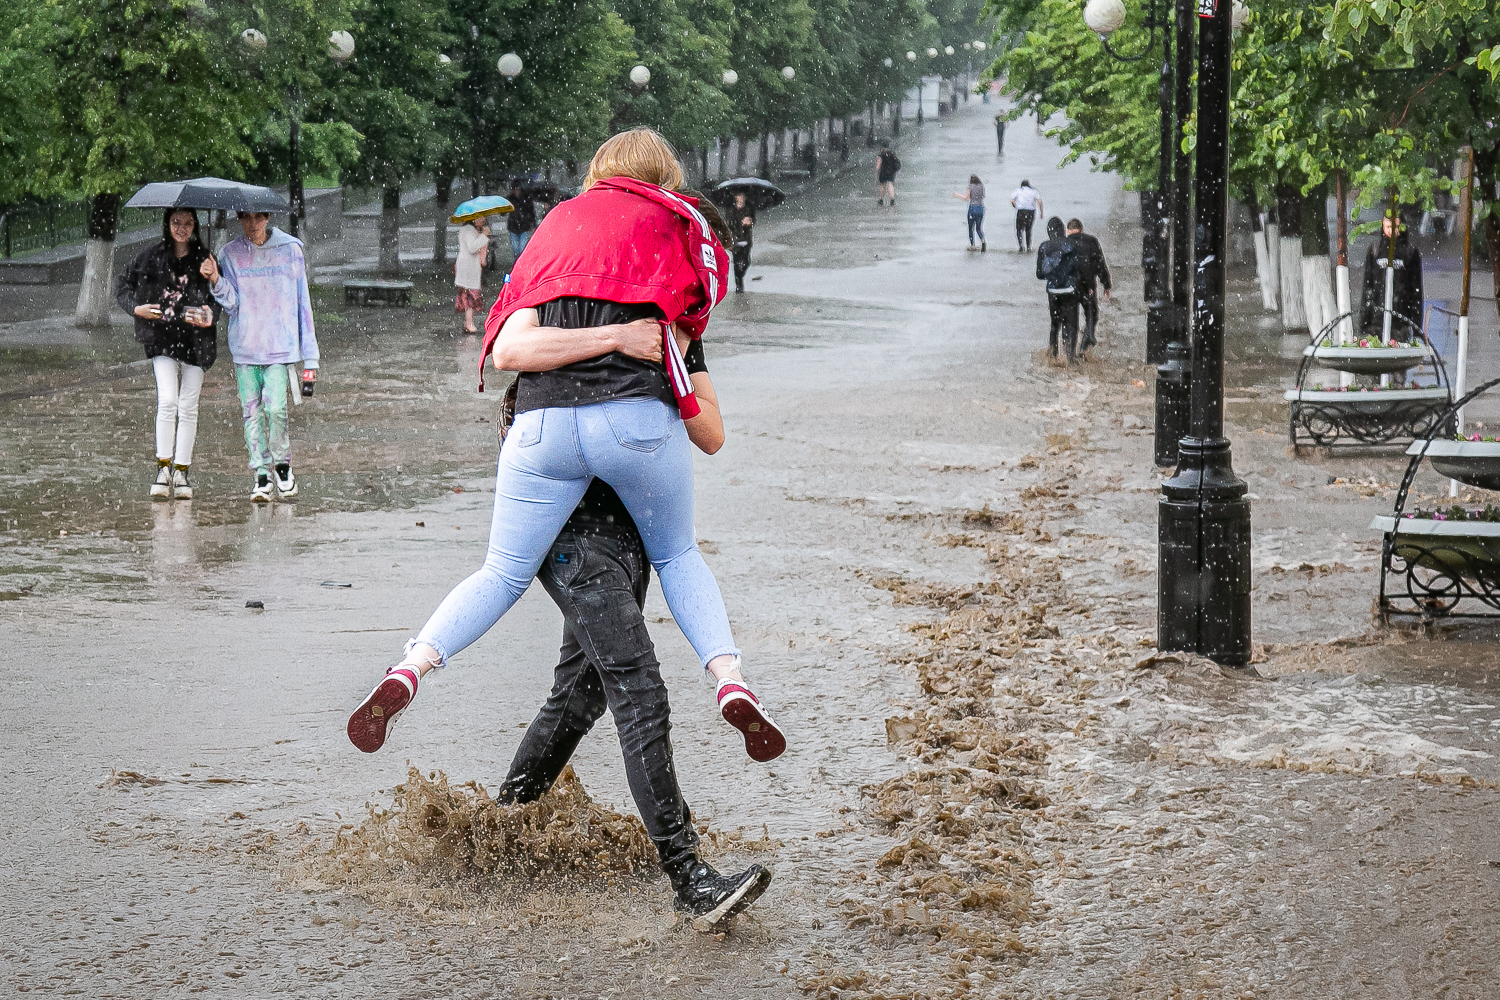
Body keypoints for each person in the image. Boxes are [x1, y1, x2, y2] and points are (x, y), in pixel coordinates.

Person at [347, 128, 785, 768]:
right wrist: (634, 342)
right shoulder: (674, 235)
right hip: (634, 430)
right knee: (679, 554)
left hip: (542, 431)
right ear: (663, 181)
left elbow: (505, 352)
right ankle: (729, 678)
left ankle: (411, 667)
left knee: (500, 573)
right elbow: (703, 397)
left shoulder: (556, 234)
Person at [494, 338, 771, 930]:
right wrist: (616, 344)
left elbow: (712, 434)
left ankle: (501, 827)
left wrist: (673, 368)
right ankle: (689, 878)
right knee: (639, 691)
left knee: (581, 692)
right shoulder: (571, 296)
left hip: (636, 535)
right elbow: (512, 367)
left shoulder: (676, 333)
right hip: (571, 534)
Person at [201, 211, 320, 503]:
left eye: (258, 218)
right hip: (246, 348)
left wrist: (311, 359)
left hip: (280, 348)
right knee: (251, 413)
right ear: (240, 219)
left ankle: (282, 466)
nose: (252, 224)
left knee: (276, 409)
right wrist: (215, 278)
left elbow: (302, 302)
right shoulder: (229, 254)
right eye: (246, 218)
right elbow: (231, 303)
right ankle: (261, 473)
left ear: (267, 217)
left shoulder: (290, 249)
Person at [116, 209, 221, 500]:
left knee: (188, 406)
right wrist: (136, 308)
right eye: (176, 222)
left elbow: (220, 299)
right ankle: (163, 468)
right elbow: (122, 286)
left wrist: (210, 307)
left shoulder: (206, 258)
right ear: (167, 223)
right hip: (162, 341)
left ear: (196, 226)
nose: (182, 228)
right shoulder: (150, 257)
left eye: (188, 223)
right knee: (168, 401)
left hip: (196, 344)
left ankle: (182, 471)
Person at [1360, 210, 1423, 340]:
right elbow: (1368, 285)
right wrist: (1364, 322)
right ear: (1383, 226)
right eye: (1388, 227)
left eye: (1395, 227)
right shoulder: (1375, 250)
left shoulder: (1410, 251)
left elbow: (1416, 290)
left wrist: (1416, 326)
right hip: (1376, 321)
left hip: (1400, 321)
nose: (1391, 231)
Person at [1036, 217, 1081, 365]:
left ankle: (1053, 356)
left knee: (1055, 324)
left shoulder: (1044, 247)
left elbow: (1040, 274)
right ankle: (1071, 357)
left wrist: (1053, 276)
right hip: (1070, 290)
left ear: (1049, 231)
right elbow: (1078, 268)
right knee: (1072, 323)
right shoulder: (1072, 244)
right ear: (1062, 230)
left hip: (1053, 291)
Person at [1065, 219, 1111, 352]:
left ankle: (1069, 351)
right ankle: (1086, 343)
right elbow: (1100, 264)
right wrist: (1106, 284)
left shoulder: (1065, 243)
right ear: (1082, 229)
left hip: (1070, 286)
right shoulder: (1091, 241)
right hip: (1088, 285)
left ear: (1067, 231)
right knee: (1092, 313)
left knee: (1071, 318)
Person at [505, 177, 560, 262]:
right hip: (513, 227)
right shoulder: (510, 199)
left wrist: (533, 225)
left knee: (522, 249)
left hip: (524, 226)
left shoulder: (526, 198)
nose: (516, 191)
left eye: (517, 189)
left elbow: (531, 212)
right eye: (515, 189)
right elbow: (505, 212)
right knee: (515, 249)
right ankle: (517, 263)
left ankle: (520, 263)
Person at [455, 218, 489, 333]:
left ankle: (468, 322)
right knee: (469, 295)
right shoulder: (468, 230)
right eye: (481, 218)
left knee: (469, 294)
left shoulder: (470, 230)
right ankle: (469, 323)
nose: (483, 221)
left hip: (469, 266)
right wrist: (483, 236)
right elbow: (472, 248)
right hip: (467, 267)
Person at [726, 192, 755, 292]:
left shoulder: (749, 208)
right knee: (737, 262)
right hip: (735, 240)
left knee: (746, 261)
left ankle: (740, 277)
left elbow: (753, 221)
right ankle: (739, 284)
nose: (740, 198)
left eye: (742, 196)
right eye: (738, 196)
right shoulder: (731, 209)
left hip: (746, 239)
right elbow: (729, 223)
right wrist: (737, 222)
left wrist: (748, 223)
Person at [953, 175, 986, 252]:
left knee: (971, 228)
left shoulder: (970, 187)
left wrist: (957, 195)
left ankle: (972, 245)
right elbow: (982, 196)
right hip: (981, 208)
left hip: (973, 208)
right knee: (979, 228)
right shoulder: (981, 186)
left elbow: (966, 198)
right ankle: (983, 241)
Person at [1010, 179, 1043, 253]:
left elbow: (1012, 200)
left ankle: (1021, 246)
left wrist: (1015, 206)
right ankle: (1028, 247)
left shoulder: (1018, 190)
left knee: (1019, 229)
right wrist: (1041, 212)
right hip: (1031, 211)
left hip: (1021, 211)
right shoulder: (1034, 191)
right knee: (1028, 229)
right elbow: (1039, 202)